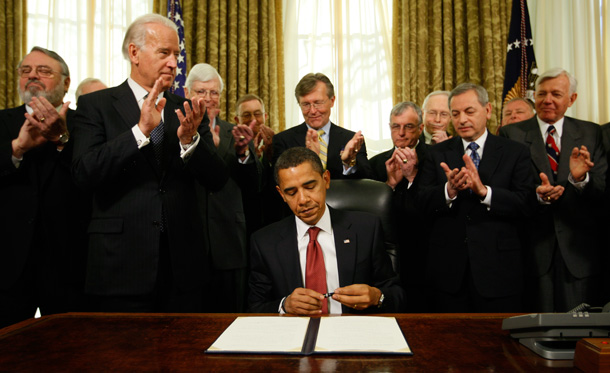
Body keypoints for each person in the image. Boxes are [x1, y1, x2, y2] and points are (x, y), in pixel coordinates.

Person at [71, 14, 229, 313]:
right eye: (164, 53)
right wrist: (139, 132)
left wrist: (189, 142)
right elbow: (83, 173)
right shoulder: (97, 106)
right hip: (119, 266)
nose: (173, 63)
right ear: (134, 53)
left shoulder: (187, 108)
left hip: (183, 270)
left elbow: (218, 180)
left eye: (176, 55)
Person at [418, 83, 533, 312]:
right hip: (448, 273)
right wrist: (448, 191)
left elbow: (526, 204)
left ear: (487, 110)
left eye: (469, 112)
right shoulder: (436, 153)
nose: (462, 119)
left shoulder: (515, 152)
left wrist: (485, 193)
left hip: (499, 271)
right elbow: (421, 202)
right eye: (456, 113)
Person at [248, 147, 405, 314]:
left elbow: (397, 295)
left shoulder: (366, 228)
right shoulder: (265, 242)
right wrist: (284, 305)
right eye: (291, 192)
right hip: (296, 335)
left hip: (352, 333)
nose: (303, 200)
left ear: (326, 179)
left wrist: (377, 297)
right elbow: (255, 307)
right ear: (282, 194)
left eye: (309, 187)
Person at [499, 68, 607, 312]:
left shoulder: (591, 133)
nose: (547, 100)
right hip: (532, 249)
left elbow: (602, 189)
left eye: (556, 94)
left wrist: (580, 179)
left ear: (572, 99)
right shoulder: (512, 134)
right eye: (542, 93)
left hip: (579, 251)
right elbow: (505, 189)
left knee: (580, 335)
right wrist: (537, 194)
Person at [0, 47, 91, 328]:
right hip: (9, 262)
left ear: (66, 83)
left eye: (43, 71)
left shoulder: (84, 123)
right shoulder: (2, 121)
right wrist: (17, 149)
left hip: (69, 260)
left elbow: (90, 175)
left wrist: (61, 139)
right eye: (25, 71)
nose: (32, 77)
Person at [184, 63, 262, 312]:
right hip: (189, 240)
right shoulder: (177, 132)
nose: (208, 98)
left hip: (229, 241)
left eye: (214, 92)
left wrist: (242, 155)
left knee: (230, 318)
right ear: (187, 94)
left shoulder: (236, 133)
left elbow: (254, 186)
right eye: (200, 91)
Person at [369, 101, 429, 312]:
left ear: (421, 128)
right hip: (388, 255)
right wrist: (390, 186)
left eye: (408, 126)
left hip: (426, 252)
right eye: (396, 126)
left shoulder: (434, 158)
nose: (401, 133)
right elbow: (370, 214)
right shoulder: (376, 163)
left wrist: (412, 178)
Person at [272, 73, 372, 180]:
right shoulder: (283, 140)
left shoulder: (351, 140)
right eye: (306, 104)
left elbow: (368, 182)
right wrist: (309, 160)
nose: (313, 111)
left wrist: (348, 163)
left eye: (318, 103)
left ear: (332, 101)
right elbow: (278, 183)